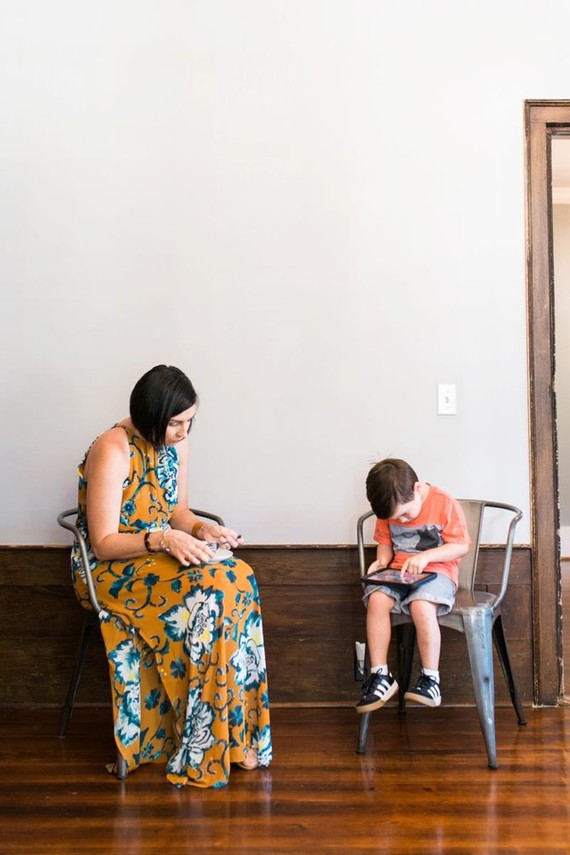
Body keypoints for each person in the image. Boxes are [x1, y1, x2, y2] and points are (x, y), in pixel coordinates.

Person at [71, 364, 272, 787]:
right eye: (176, 423)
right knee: (211, 593)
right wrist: (162, 540)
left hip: (159, 555)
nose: (183, 432)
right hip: (114, 569)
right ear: (149, 415)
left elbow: (177, 511)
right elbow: (104, 542)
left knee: (240, 578)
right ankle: (199, 739)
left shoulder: (177, 446)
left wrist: (202, 529)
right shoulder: (112, 448)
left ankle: (234, 736)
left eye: (190, 422)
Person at [356, 458, 471, 713]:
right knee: (375, 599)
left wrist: (426, 557)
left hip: (438, 573)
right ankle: (380, 675)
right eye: (399, 518)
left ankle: (431, 678)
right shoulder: (389, 509)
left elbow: (461, 545)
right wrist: (381, 562)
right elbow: (385, 544)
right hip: (398, 573)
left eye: (406, 513)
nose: (404, 520)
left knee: (421, 605)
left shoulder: (444, 502)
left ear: (417, 489)